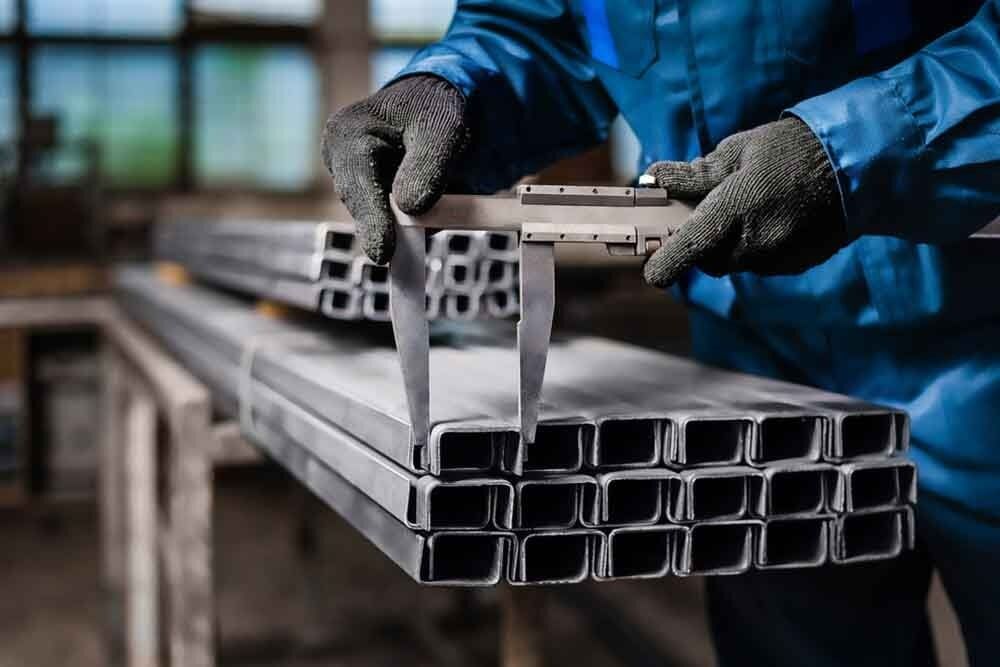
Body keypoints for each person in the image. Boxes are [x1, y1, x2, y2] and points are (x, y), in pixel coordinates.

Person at [322, 1, 1000, 664]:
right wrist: (448, 88)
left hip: (977, 313)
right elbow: (541, 28)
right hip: (756, 357)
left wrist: (852, 152)